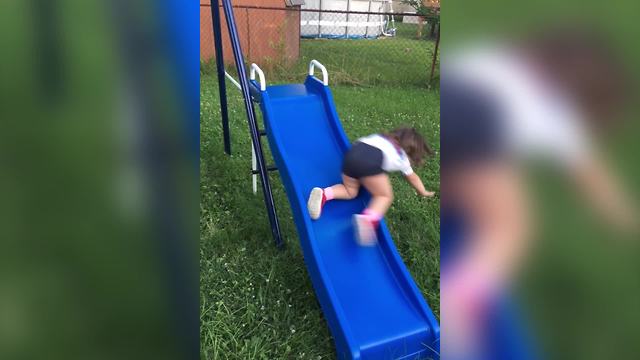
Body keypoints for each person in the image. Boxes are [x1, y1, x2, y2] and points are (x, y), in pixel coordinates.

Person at [306, 127, 435, 245]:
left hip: (352, 154)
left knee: (350, 191)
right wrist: (422, 191)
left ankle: (324, 194)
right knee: (384, 195)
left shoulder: (380, 137)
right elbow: (412, 177)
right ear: (411, 152)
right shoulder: (402, 158)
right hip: (371, 160)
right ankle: (368, 220)